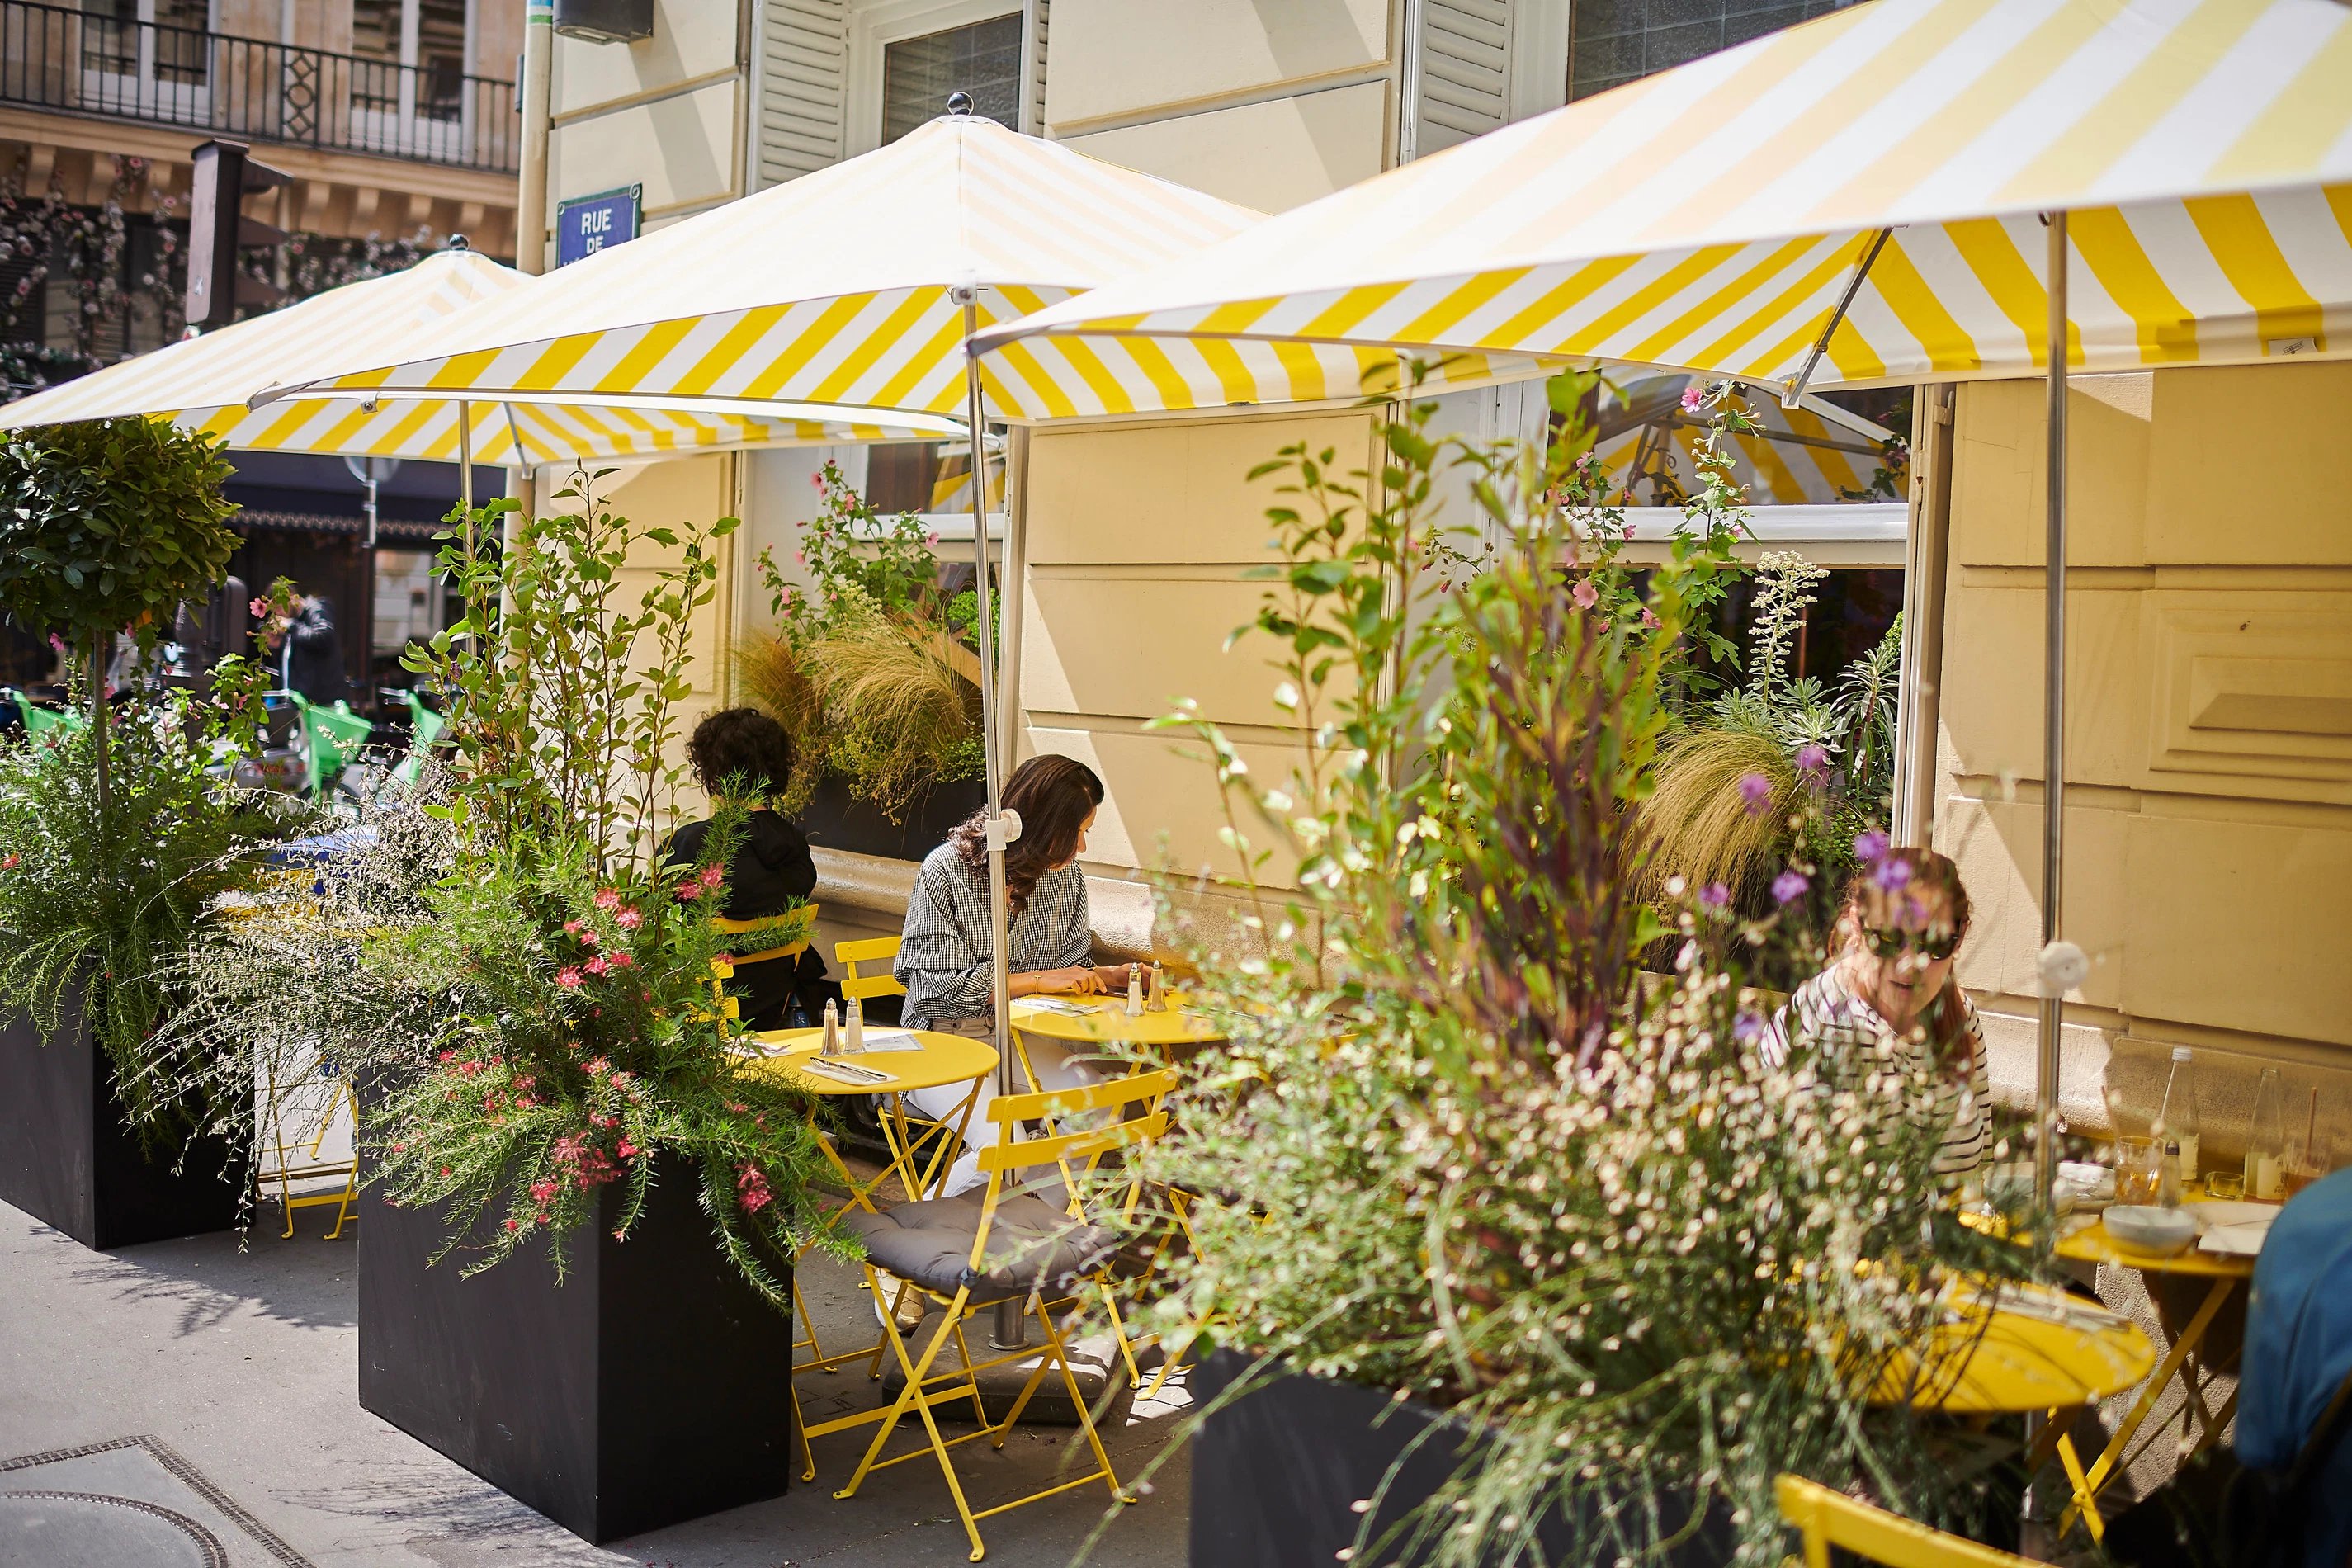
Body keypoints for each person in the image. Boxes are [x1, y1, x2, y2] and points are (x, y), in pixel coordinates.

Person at [896, 753, 1136, 1197]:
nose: (1081, 848)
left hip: (1014, 1038)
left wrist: (1104, 976)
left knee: (1103, 1105)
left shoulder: (1067, 879)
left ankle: (1038, 1236)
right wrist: (1037, 980)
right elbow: (929, 985)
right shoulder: (947, 869)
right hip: (938, 1041)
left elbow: (1066, 970)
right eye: (1076, 834)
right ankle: (911, 1236)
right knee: (1006, 1147)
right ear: (1044, 825)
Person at [1762, 844, 1989, 1183]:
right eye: (1888, 939)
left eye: (1936, 941)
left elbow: (1978, 1169)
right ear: (1857, 925)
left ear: (1960, 937)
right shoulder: (1833, 1027)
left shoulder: (1960, 1014)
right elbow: (1872, 1207)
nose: (1910, 964)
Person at [661, 707, 834, 1032]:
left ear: (713, 771)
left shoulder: (691, 845)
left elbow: (654, 929)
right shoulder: (795, 847)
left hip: (704, 1018)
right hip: (775, 1009)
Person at [282, 594, 346, 706]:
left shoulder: (316, 609)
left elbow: (323, 636)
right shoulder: (296, 626)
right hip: (302, 701)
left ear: (291, 598)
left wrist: (291, 626)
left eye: (279, 608)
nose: (279, 615)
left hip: (323, 702)